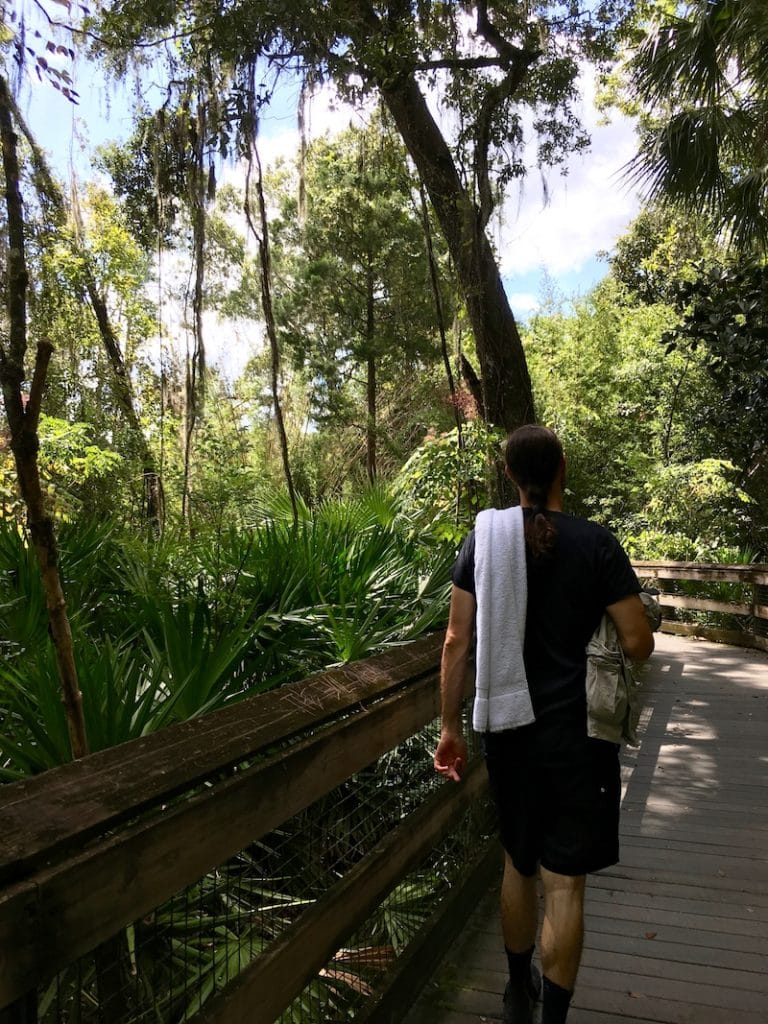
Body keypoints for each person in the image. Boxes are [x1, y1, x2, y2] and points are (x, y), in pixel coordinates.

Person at [433, 425, 653, 1024]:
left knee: (517, 861)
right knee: (565, 885)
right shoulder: (598, 544)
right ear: (563, 469)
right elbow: (637, 643)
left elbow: (457, 640)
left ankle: (514, 992)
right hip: (579, 737)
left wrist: (450, 727)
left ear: (510, 476)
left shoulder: (486, 541)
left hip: (507, 729)